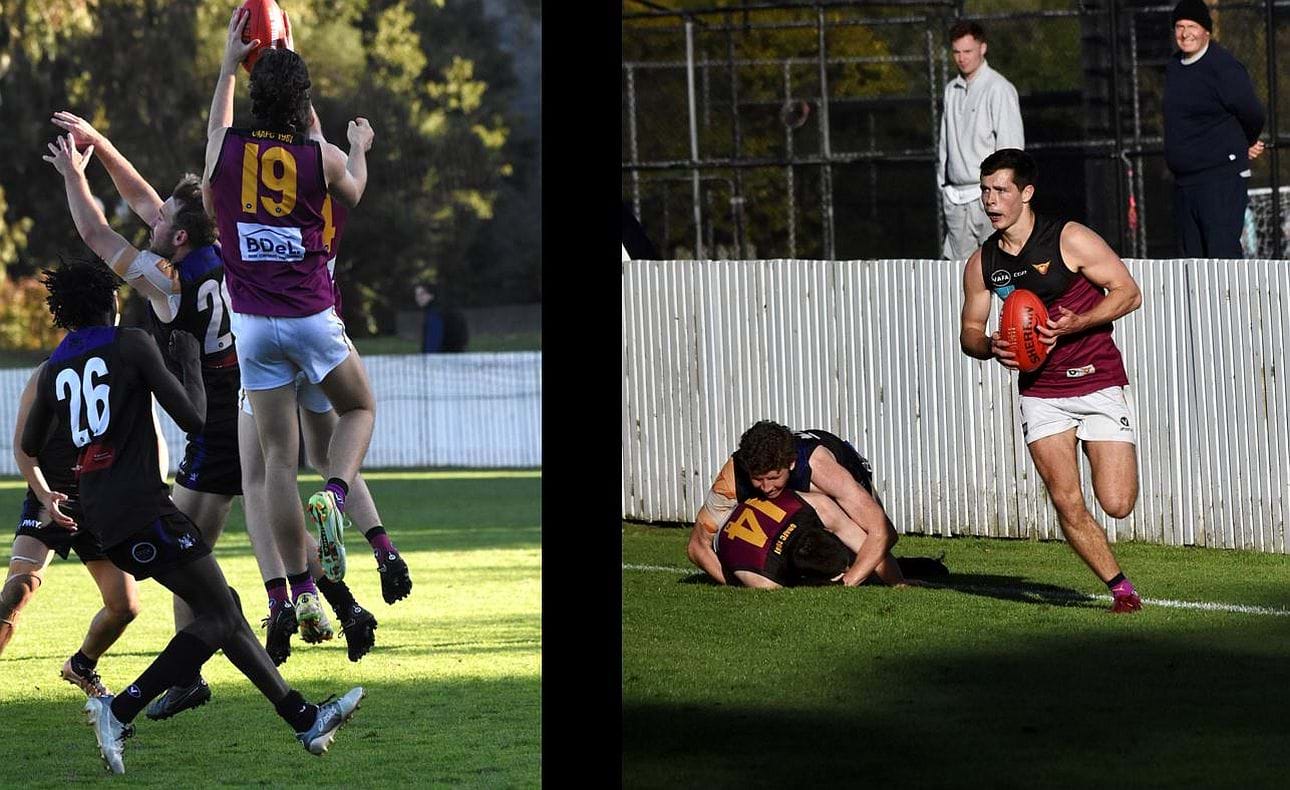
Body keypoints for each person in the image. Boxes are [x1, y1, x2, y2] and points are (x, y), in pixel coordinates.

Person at [19, 248, 362, 774]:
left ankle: (303, 718)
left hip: (101, 512)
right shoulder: (131, 345)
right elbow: (195, 419)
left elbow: (30, 442)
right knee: (221, 614)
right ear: (109, 301)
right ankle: (121, 707)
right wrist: (189, 365)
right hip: (142, 507)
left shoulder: (53, 369)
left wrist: (49, 494)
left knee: (222, 607)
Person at [201, 10, 376, 641]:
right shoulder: (317, 157)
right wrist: (355, 146)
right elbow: (351, 187)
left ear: (252, 96)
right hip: (309, 316)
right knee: (358, 410)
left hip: (252, 327)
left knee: (274, 461)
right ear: (303, 104)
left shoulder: (225, 155)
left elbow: (218, 128)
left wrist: (227, 65)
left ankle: (299, 591)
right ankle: (333, 491)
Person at [958, 148, 1144, 613]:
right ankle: (1121, 590)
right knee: (1066, 500)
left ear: (1026, 192)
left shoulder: (1069, 238)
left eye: (1001, 190)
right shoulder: (983, 263)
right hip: (1041, 392)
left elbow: (1128, 292)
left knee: (1118, 503)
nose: (991, 201)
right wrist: (990, 347)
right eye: (985, 191)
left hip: (1096, 377)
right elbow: (970, 331)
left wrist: (1075, 323)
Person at [1, 355, 140, 699]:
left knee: (124, 608)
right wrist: (44, 493)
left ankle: (81, 665)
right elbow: (22, 446)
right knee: (20, 586)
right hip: (52, 496)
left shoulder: (126, 364)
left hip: (100, 502)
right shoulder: (48, 371)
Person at [687, 420, 905, 587]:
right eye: (758, 479)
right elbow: (697, 547)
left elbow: (883, 532)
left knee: (861, 559)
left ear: (790, 464)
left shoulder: (822, 470)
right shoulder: (734, 475)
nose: (766, 488)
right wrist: (739, 583)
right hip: (799, 501)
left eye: (773, 478)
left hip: (844, 465)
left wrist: (850, 583)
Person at [1163, 0, 1266, 258]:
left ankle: (1236, 300)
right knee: (1193, 262)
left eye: (1192, 26)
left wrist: (1246, 141)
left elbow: (1252, 112)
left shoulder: (1223, 68)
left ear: (1206, 30)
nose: (1185, 33)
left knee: (1222, 257)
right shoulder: (1174, 67)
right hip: (1185, 183)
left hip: (1220, 180)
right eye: (1179, 26)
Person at [937, 20, 1024, 261]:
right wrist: (944, 186)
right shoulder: (950, 90)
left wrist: (999, 193)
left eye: (968, 51)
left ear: (982, 48)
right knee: (958, 273)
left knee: (998, 266)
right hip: (956, 199)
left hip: (988, 198)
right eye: (956, 52)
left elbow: (1011, 149)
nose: (962, 58)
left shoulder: (999, 88)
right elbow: (944, 144)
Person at [715, 489, 906, 589]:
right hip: (720, 533)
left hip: (730, 513)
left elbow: (871, 546)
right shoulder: (765, 579)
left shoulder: (816, 506)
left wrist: (897, 580)